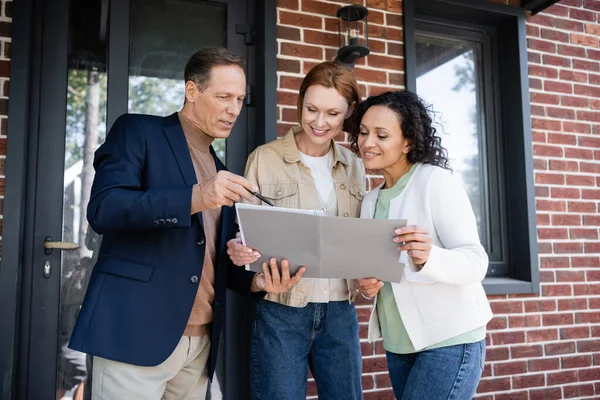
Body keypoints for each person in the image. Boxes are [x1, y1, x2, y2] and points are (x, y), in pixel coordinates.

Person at [68, 47, 303, 400]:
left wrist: (256, 278)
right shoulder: (138, 131)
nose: (233, 109)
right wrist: (197, 197)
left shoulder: (220, 169)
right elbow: (105, 208)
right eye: (224, 96)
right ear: (191, 91)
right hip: (133, 335)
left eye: (239, 99)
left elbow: (210, 260)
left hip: (201, 345)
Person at [227, 61, 365, 400]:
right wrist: (239, 247)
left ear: (347, 113)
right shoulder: (263, 158)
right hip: (281, 309)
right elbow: (244, 231)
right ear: (299, 102)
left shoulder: (356, 166)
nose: (320, 122)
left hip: (340, 312)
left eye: (333, 113)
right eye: (312, 109)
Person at [353, 90, 493, 400]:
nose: (367, 142)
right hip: (399, 342)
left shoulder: (435, 182)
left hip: (449, 339)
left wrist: (430, 257)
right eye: (363, 132)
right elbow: (375, 276)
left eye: (381, 134)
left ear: (408, 142)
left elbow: (475, 260)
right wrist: (366, 285)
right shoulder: (371, 201)